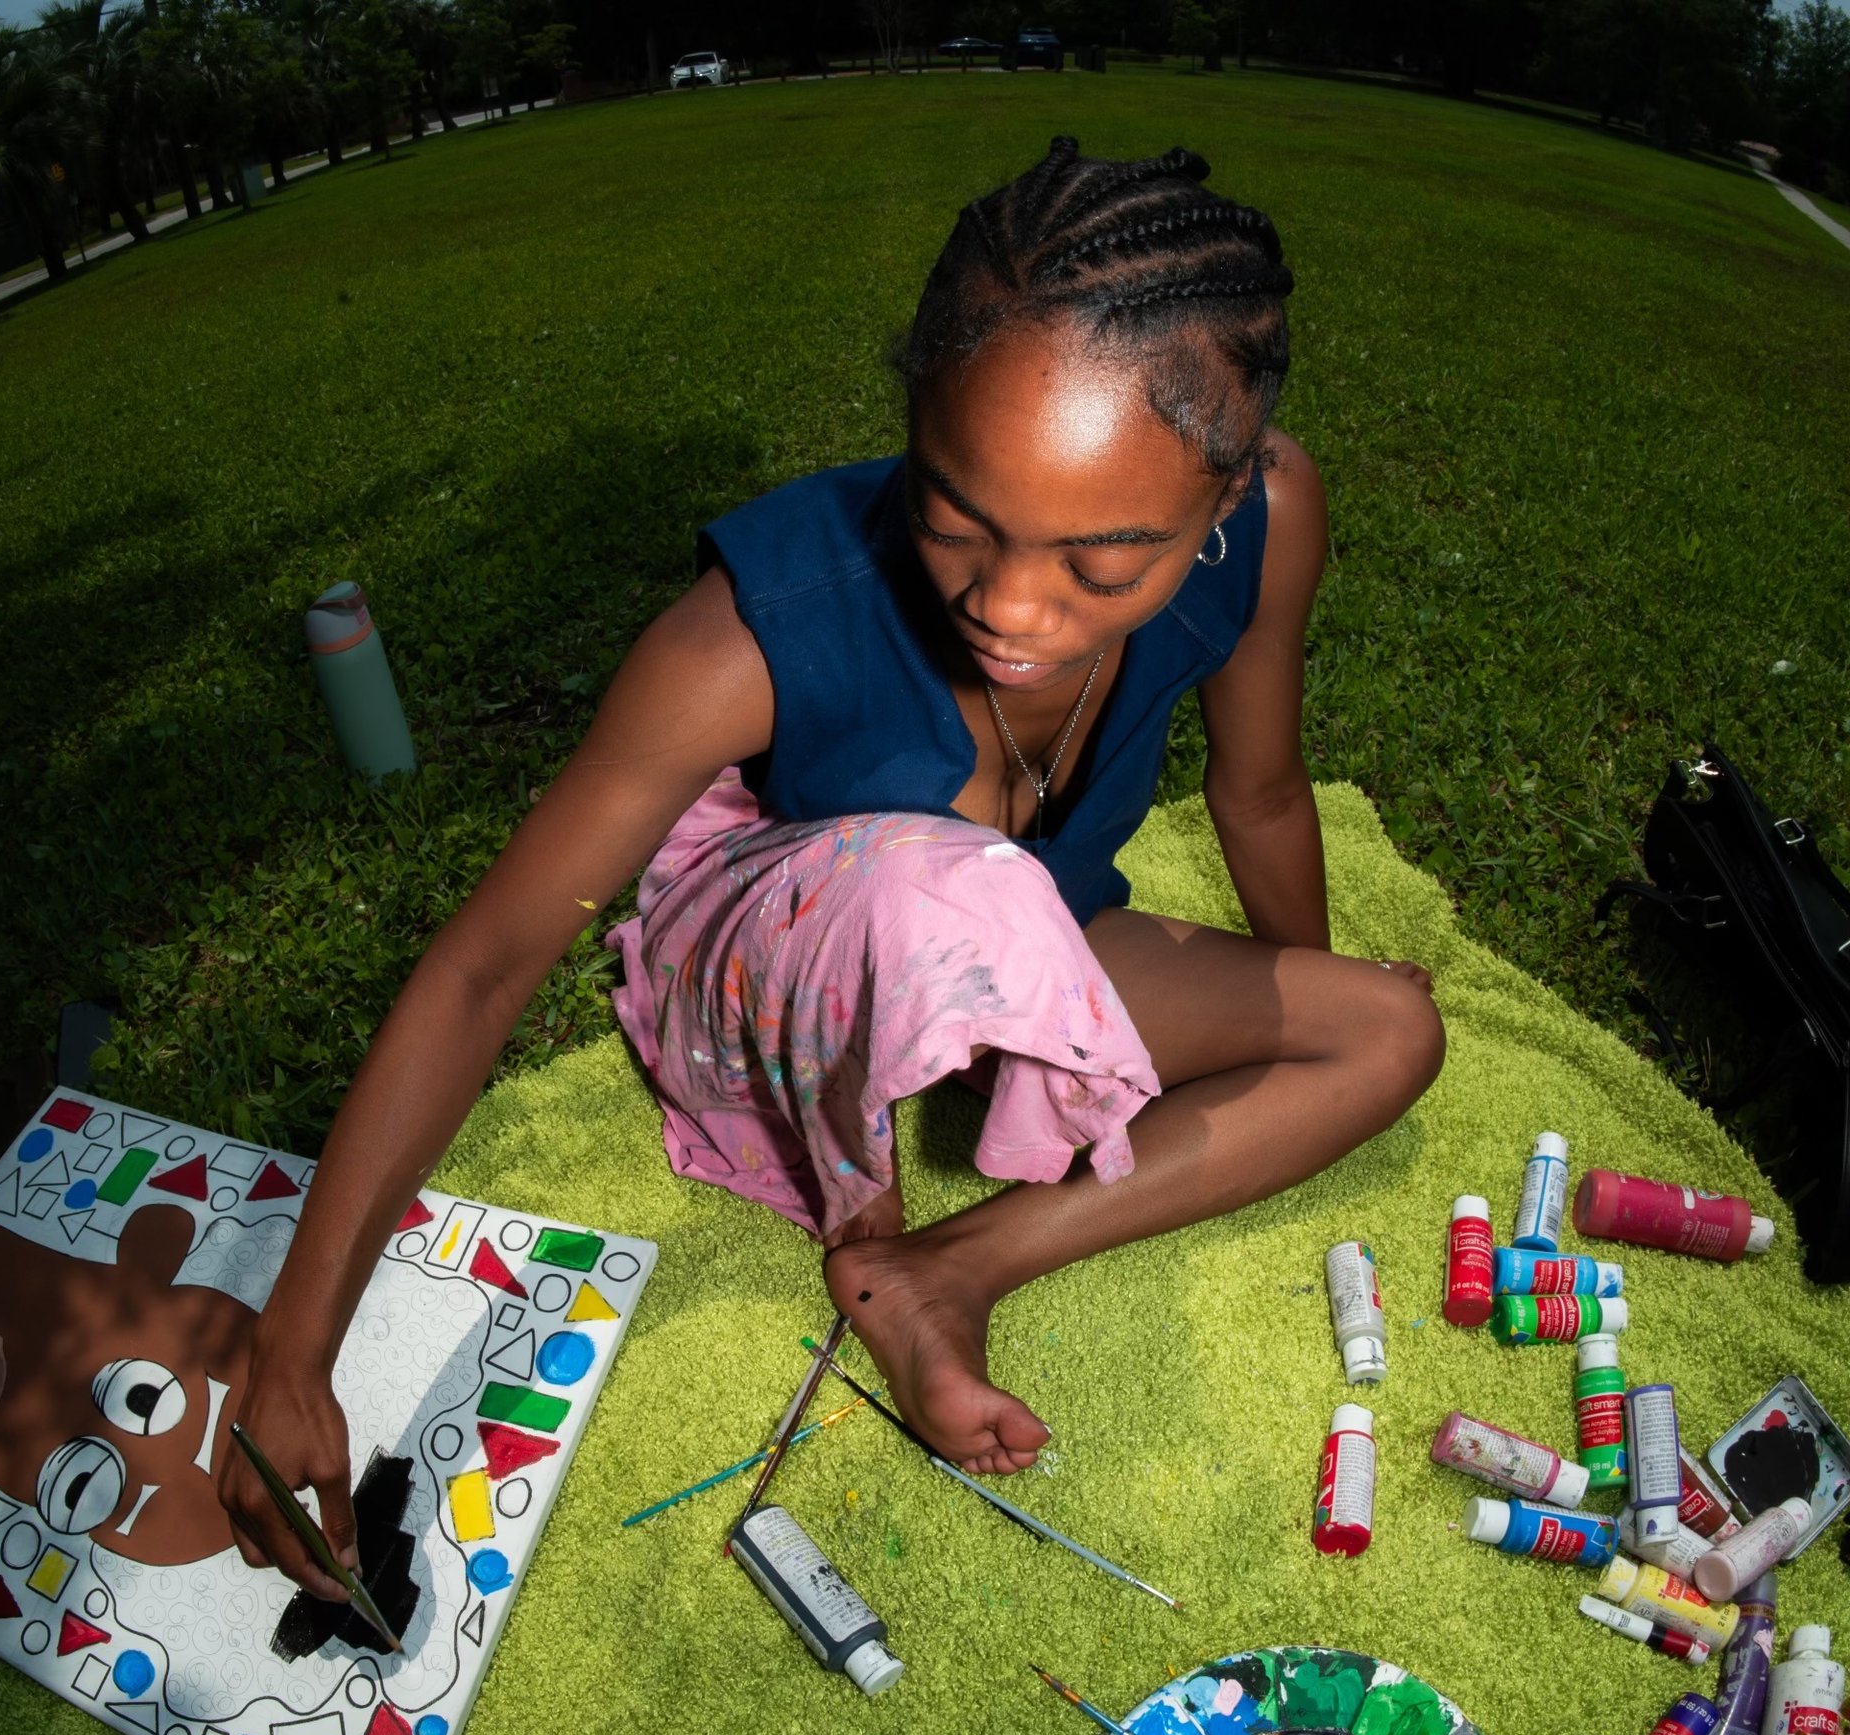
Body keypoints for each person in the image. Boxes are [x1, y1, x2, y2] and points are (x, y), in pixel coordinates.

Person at [219, 136, 1444, 1599]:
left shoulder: (1272, 525)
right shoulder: (751, 628)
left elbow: (1258, 791)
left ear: (1228, 493)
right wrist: (294, 1346)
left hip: (1015, 930)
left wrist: (1293, 985)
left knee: (1387, 1029)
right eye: (954, 515)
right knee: (958, 889)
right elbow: (488, 963)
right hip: (758, 961)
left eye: (1104, 563)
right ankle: (873, 1205)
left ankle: (941, 1271)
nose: (1011, 605)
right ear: (913, 423)